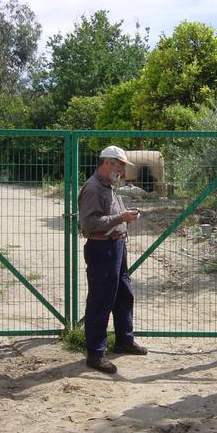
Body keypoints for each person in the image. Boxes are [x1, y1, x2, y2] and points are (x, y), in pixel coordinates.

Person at [78, 145, 147, 374]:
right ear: (106, 162)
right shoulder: (93, 188)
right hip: (101, 248)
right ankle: (96, 354)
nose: (122, 170)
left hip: (116, 245)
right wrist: (122, 216)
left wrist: (125, 218)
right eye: (119, 165)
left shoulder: (107, 186)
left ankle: (124, 340)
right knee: (101, 300)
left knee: (123, 295)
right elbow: (89, 224)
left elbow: (109, 217)